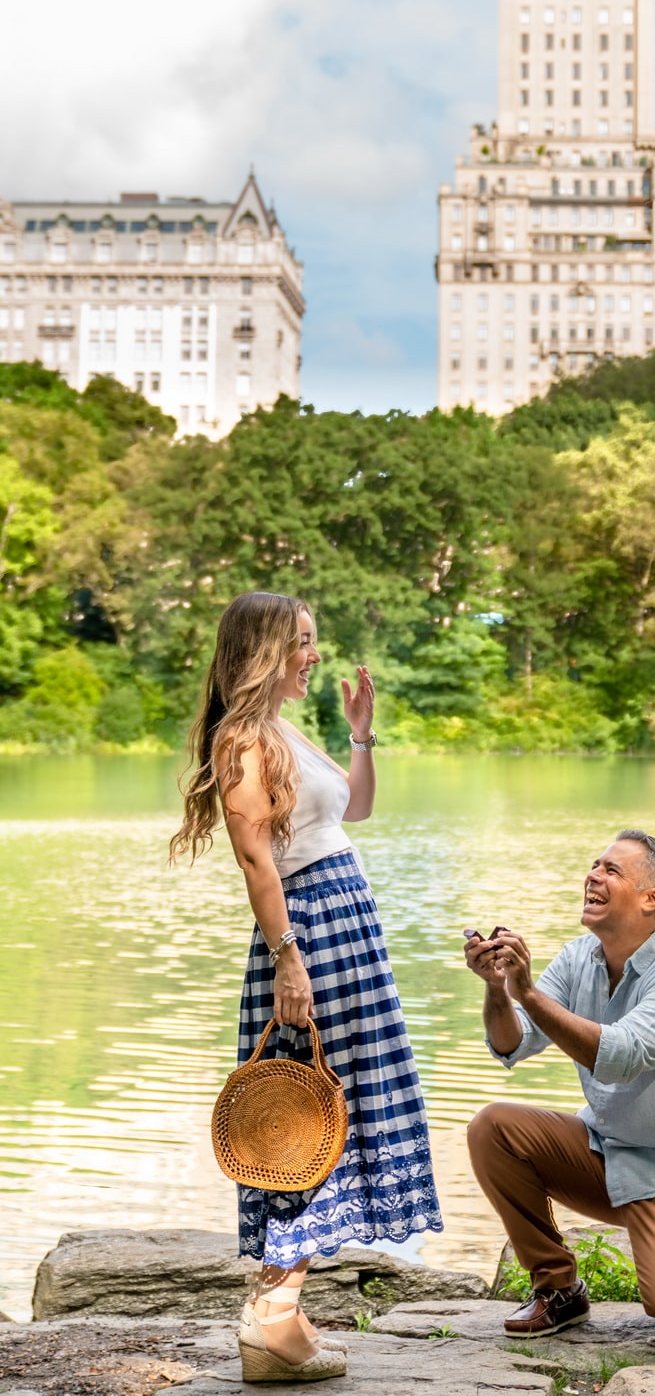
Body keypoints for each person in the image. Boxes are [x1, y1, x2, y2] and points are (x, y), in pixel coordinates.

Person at [171, 591, 442, 1383]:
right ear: (264, 649)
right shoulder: (243, 741)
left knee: (334, 1111)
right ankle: (272, 1315)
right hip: (311, 934)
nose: (315, 655)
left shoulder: (282, 730)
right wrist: (290, 956)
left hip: (343, 932)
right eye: (304, 642)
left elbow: (352, 809)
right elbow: (257, 858)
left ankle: (283, 1312)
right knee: (300, 1117)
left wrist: (362, 735)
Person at [465, 829, 655, 1341]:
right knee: (492, 1128)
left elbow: (619, 1056)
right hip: (603, 1151)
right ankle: (558, 1290)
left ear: (651, 899)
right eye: (595, 866)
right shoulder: (577, 957)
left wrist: (526, 989)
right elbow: (513, 1043)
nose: (593, 875)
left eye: (612, 870)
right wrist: (500, 991)